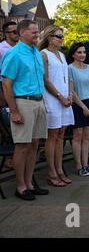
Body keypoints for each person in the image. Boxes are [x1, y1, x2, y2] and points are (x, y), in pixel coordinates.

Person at [1, 19, 49, 200]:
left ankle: (29, 183)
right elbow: (6, 84)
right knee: (22, 146)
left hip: (38, 101)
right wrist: (14, 111)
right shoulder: (14, 54)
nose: (37, 34)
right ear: (22, 33)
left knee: (34, 145)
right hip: (23, 103)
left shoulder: (35, 52)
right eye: (34, 32)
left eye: (38, 31)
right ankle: (20, 186)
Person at [39, 25, 75, 187]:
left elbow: (66, 77)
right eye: (59, 36)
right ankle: (51, 172)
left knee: (61, 134)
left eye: (62, 36)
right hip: (53, 98)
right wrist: (60, 96)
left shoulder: (61, 54)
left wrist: (69, 95)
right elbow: (46, 80)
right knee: (52, 135)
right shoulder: (43, 54)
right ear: (49, 38)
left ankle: (60, 169)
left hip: (65, 99)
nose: (62, 39)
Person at [68, 42, 89, 177]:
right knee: (77, 136)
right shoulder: (70, 68)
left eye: (84, 52)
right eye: (79, 52)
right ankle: (79, 166)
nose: (82, 55)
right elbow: (71, 91)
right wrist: (83, 107)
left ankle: (86, 165)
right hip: (78, 104)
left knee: (86, 136)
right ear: (73, 54)